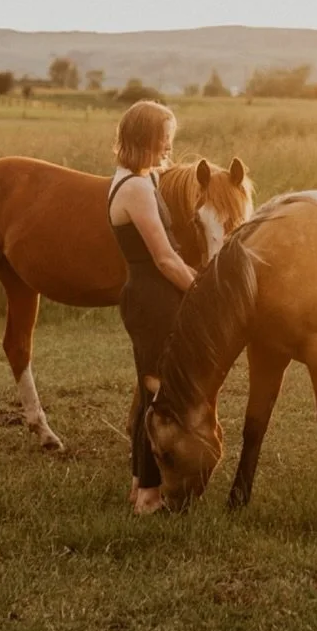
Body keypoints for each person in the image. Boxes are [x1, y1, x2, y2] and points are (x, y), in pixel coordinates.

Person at [107, 99, 198, 515]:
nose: (169, 145)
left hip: (147, 294)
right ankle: (148, 496)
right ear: (145, 138)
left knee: (150, 394)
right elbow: (164, 258)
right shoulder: (138, 188)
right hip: (154, 296)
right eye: (164, 138)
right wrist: (203, 289)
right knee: (158, 397)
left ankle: (138, 485)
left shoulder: (131, 177)